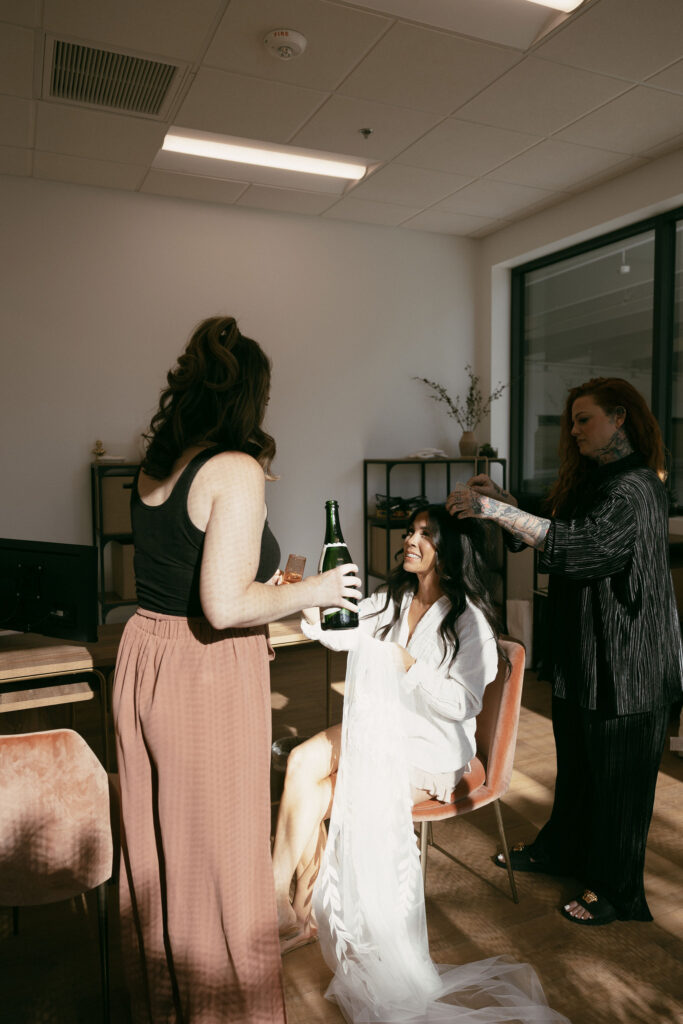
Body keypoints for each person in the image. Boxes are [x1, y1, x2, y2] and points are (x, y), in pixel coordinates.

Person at [112, 315, 361, 1024]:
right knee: (221, 853)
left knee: (163, 847)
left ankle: (171, 999)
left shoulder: (156, 466)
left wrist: (268, 600)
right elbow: (222, 607)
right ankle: (226, 1009)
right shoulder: (235, 469)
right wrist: (314, 590)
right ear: (250, 397)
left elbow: (189, 583)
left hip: (148, 653)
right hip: (204, 673)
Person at [272, 505, 570, 1023]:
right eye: (411, 531)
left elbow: (465, 704)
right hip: (382, 728)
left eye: (425, 534)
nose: (411, 539)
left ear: (450, 549)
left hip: (430, 750)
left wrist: (408, 666)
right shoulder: (394, 597)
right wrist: (302, 596)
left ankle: (287, 909)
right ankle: (282, 902)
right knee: (302, 762)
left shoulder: (469, 619)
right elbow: (344, 633)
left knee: (317, 788)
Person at [447, 376, 683, 926]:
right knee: (579, 771)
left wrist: (496, 510)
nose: (573, 431)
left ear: (620, 418)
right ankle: (564, 851)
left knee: (620, 787)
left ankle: (618, 891)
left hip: (631, 668)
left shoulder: (637, 488)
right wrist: (505, 504)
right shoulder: (595, 481)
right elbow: (552, 527)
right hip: (589, 659)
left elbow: (580, 547)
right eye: (572, 421)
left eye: (585, 420)